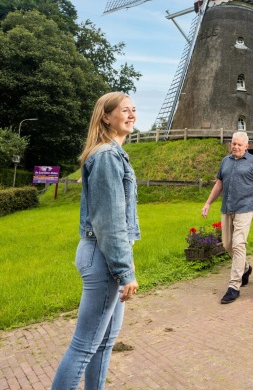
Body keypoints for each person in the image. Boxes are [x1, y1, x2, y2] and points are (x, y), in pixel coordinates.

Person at [52, 92, 140, 390]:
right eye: (125, 110)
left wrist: (126, 260)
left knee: (104, 342)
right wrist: (124, 270)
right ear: (106, 116)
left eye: (133, 109)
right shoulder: (106, 157)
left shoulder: (114, 154)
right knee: (85, 345)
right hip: (102, 257)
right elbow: (109, 222)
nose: (132, 115)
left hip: (109, 255)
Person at [202, 131, 253, 304]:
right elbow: (219, 184)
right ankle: (245, 268)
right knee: (227, 244)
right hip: (227, 208)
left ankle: (234, 287)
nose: (236, 147)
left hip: (245, 208)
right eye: (234, 144)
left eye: (239, 144)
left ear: (247, 146)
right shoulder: (225, 161)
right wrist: (208, 203)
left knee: (239, 244)